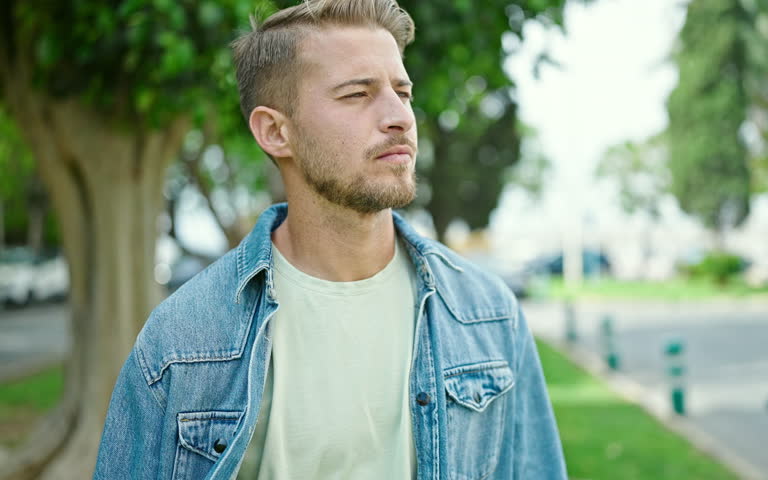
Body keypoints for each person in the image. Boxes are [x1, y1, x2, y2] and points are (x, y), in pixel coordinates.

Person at [94, 0, 567, 478]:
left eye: (402, 93)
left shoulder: (487, 315)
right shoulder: (182, 340)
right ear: (276, 132)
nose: (399, 117)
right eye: (357, 94)